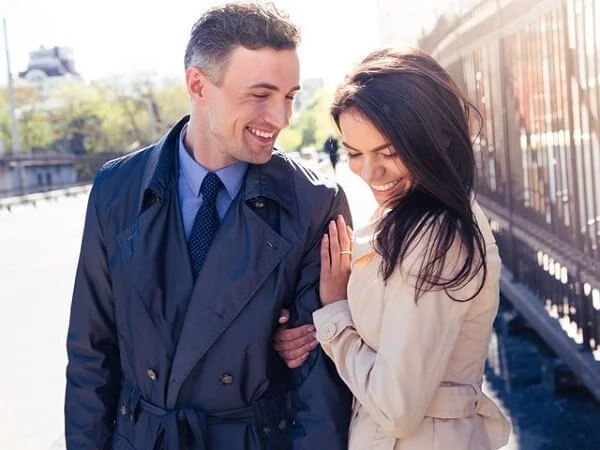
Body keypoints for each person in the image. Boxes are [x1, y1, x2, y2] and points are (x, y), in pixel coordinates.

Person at [64, 4, 352, 449]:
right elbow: (91, 355)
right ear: (198, 85)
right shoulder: (116, 188)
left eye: (290, 95)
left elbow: (321, 392)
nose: (281, 118)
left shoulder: (314, 202)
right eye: (260, 95)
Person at [274, 48, 511, 449]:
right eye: (354, 154)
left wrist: (335, 314)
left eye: (389, 152)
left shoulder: (439, 236)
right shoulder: (405, 218)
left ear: (434, 140)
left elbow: (394, 407)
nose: (370, 172)